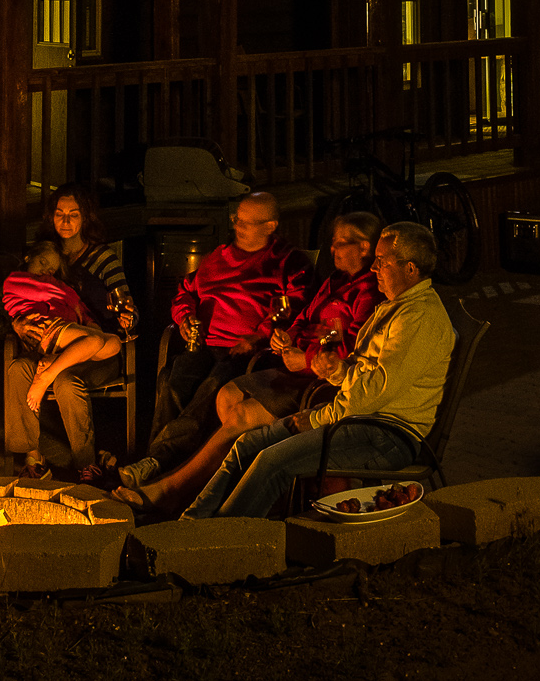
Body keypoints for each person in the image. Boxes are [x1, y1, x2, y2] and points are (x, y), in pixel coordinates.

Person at [113, 211, 384, 516]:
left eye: (341, 243)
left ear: (364, 247)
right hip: (266, 357)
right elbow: (303, 317)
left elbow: (349, 348)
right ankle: (195, 476)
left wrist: (271, 341)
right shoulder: (333, 280)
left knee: (236, 411)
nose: (332, 249)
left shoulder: (359, 288)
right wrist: (288, 337)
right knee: (207, 391)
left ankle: (174, 489)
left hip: (314, 378)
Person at [182, 221, 455, 521]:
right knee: (248, 444)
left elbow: (372, 394)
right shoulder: (394, 307)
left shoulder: (418, 318)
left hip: (387, 434)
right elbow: (364, 373)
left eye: (382, 261)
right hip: (358, 418)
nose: (374, 268)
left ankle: (224, 539)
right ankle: (193, 522)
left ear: (411, 269)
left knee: (272, 462)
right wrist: (338, 369)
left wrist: (316, 418)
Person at [117, 191, 309, 489]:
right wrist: (184, 317)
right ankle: (157, 462)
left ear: (270, 226)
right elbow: (186, 290)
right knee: (172, 380)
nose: (238, 227)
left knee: (209, 389)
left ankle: (159, 465)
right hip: (206, 342)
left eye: (247, 222)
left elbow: (292, 309)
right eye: (237, 220)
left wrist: (258, 336)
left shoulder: (288, 263)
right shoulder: (219, 257)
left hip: (247, 351)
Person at [2, 239, 124, 486]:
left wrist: (92, 320)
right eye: (44, 264)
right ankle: (32, 457)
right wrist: (16, 323)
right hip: (53, 340)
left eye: (53, 270)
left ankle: (85, 462)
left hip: (77, 348)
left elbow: (92, 319)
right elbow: (39, 294)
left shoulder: (102, 262)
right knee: (18, 369)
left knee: (109, 344)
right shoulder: (43, 284)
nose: (48, 272)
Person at [39, 183, 139, 340]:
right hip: (56, 337)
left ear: (84, 218)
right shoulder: (44, 258)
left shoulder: (102, 257)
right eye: (60, 214)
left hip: (98, 338)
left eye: (73, 215)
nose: (65, 221)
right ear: (51, 217)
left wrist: (128, 317)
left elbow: (126, 303)